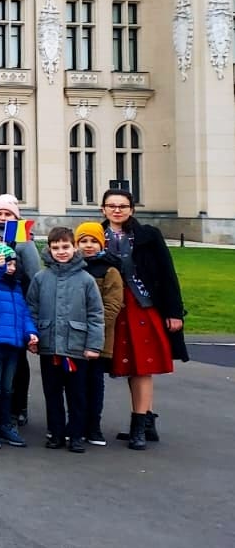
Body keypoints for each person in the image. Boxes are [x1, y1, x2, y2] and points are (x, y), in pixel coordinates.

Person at [100, 189, 187, 450]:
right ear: (103, 209)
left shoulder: (148, 236)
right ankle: (147, 420)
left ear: (132, 209)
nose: (117, 210)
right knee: (126, 364)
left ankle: (139, 425)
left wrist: (173, 311)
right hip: (113, 306)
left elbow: (167, 273)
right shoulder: (94, 235)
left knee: (141, 366)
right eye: (112, 205)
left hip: (141, 305)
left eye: (123, 206)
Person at [27, 226, 104, 452]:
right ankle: (56, 433)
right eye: (56, 248)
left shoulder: (86, 279)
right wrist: (32, 336)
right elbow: (32, 308)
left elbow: (95, 314)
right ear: (49, 250)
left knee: (77, 394)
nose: (61, 251)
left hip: (76, 347)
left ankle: (77, 434)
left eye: (65, 247)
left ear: (74, 248)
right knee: (52, 393)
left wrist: (93, 345)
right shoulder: (41, 278)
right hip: (50, 345)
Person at [0, 239, 38, 449]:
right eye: (6, 263)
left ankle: (5, 424)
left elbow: (24, 314)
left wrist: (30, 332)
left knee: (7, 388)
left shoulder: (16, 287)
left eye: (12, 264)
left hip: (13, 343)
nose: (10, 268)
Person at [75, 221, 124, 446]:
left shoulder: (109, 270)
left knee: (94, 384)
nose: (88, 246)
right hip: (73, 338)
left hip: (98, 339)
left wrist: (93, 329)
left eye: (93, 241)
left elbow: (112, 305)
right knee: (76, 383)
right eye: (83, 241)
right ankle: (76, 423)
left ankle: (93, 426)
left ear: (101, 244)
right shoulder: (73, 267)